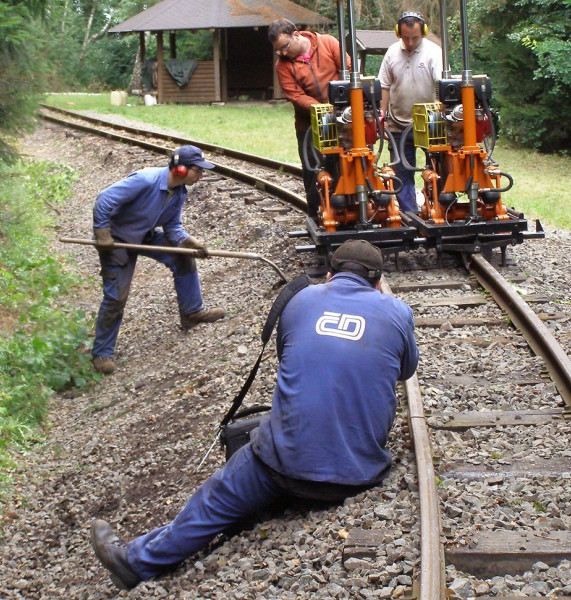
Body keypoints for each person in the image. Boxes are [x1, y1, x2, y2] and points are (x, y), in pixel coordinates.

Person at [90, 239, 419, 590]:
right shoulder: (397, 312)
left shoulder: (300, 299)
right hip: (359, 473)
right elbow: (405, 370)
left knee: (217, 496)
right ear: (376, 281)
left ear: (329, 274)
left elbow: (288, 354)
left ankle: (136, 561)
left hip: (281, 469)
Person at [90, 145, 225, 374]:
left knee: (184, 258)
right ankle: (102, 352)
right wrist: (102, 232)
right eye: (198, 170)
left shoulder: (180, 192)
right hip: (116, 239)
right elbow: (104, 200)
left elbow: (172, 227)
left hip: (145, 235)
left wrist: (189, 243)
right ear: (181, 169)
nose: (201, 175)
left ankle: (192, 312)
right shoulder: (145, 180)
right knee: (116, 297)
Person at [268, 18, 351, 218]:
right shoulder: (283, 66)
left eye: (285, 47)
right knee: (313, 169)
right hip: (309, 124)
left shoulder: (328, 43)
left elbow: (347, 68)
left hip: (344, 118)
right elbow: (295, 95)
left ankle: (349, 207)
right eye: (278, 50)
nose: (282, 53)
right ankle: (316, 214)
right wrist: (321, 109)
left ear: (296, 35)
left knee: (349, 163)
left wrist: (340, 103)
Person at [378, 11, 443, 213]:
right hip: (398, 125)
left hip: (429, 126)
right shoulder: (391, 52)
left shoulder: (434, 52)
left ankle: (436, 211)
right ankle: (410, 217)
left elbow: (441, 85)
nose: (410, 42)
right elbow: (384, 86)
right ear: (399, 33)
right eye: (406, 38)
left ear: (423, 32)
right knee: (402, 174)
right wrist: (382, 117)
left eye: (415, 37)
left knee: (438, 171)